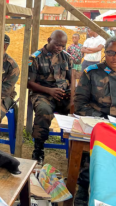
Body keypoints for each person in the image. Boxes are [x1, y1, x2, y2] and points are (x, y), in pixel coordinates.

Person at [73, 36, 116, 206]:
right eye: (111, 53)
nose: (115, 57)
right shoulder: (91, 72)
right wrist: (103, 120)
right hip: (98, 123)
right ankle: (83, 189)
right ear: (105, 53)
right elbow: (79, 105)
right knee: (94, 151)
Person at [28, 30, 72, 164]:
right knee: (43, 111)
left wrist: (70, 92)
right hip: (42, 94)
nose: (60, 48)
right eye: (57, 45)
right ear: (48, 40)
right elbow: (29, 83)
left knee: (79, 109)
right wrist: (50, 91)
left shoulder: (66, 57)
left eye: (63, 46)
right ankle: (38, 150)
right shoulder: (35, 58)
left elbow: (71, 78)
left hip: (62, 94)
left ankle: (77, 150)